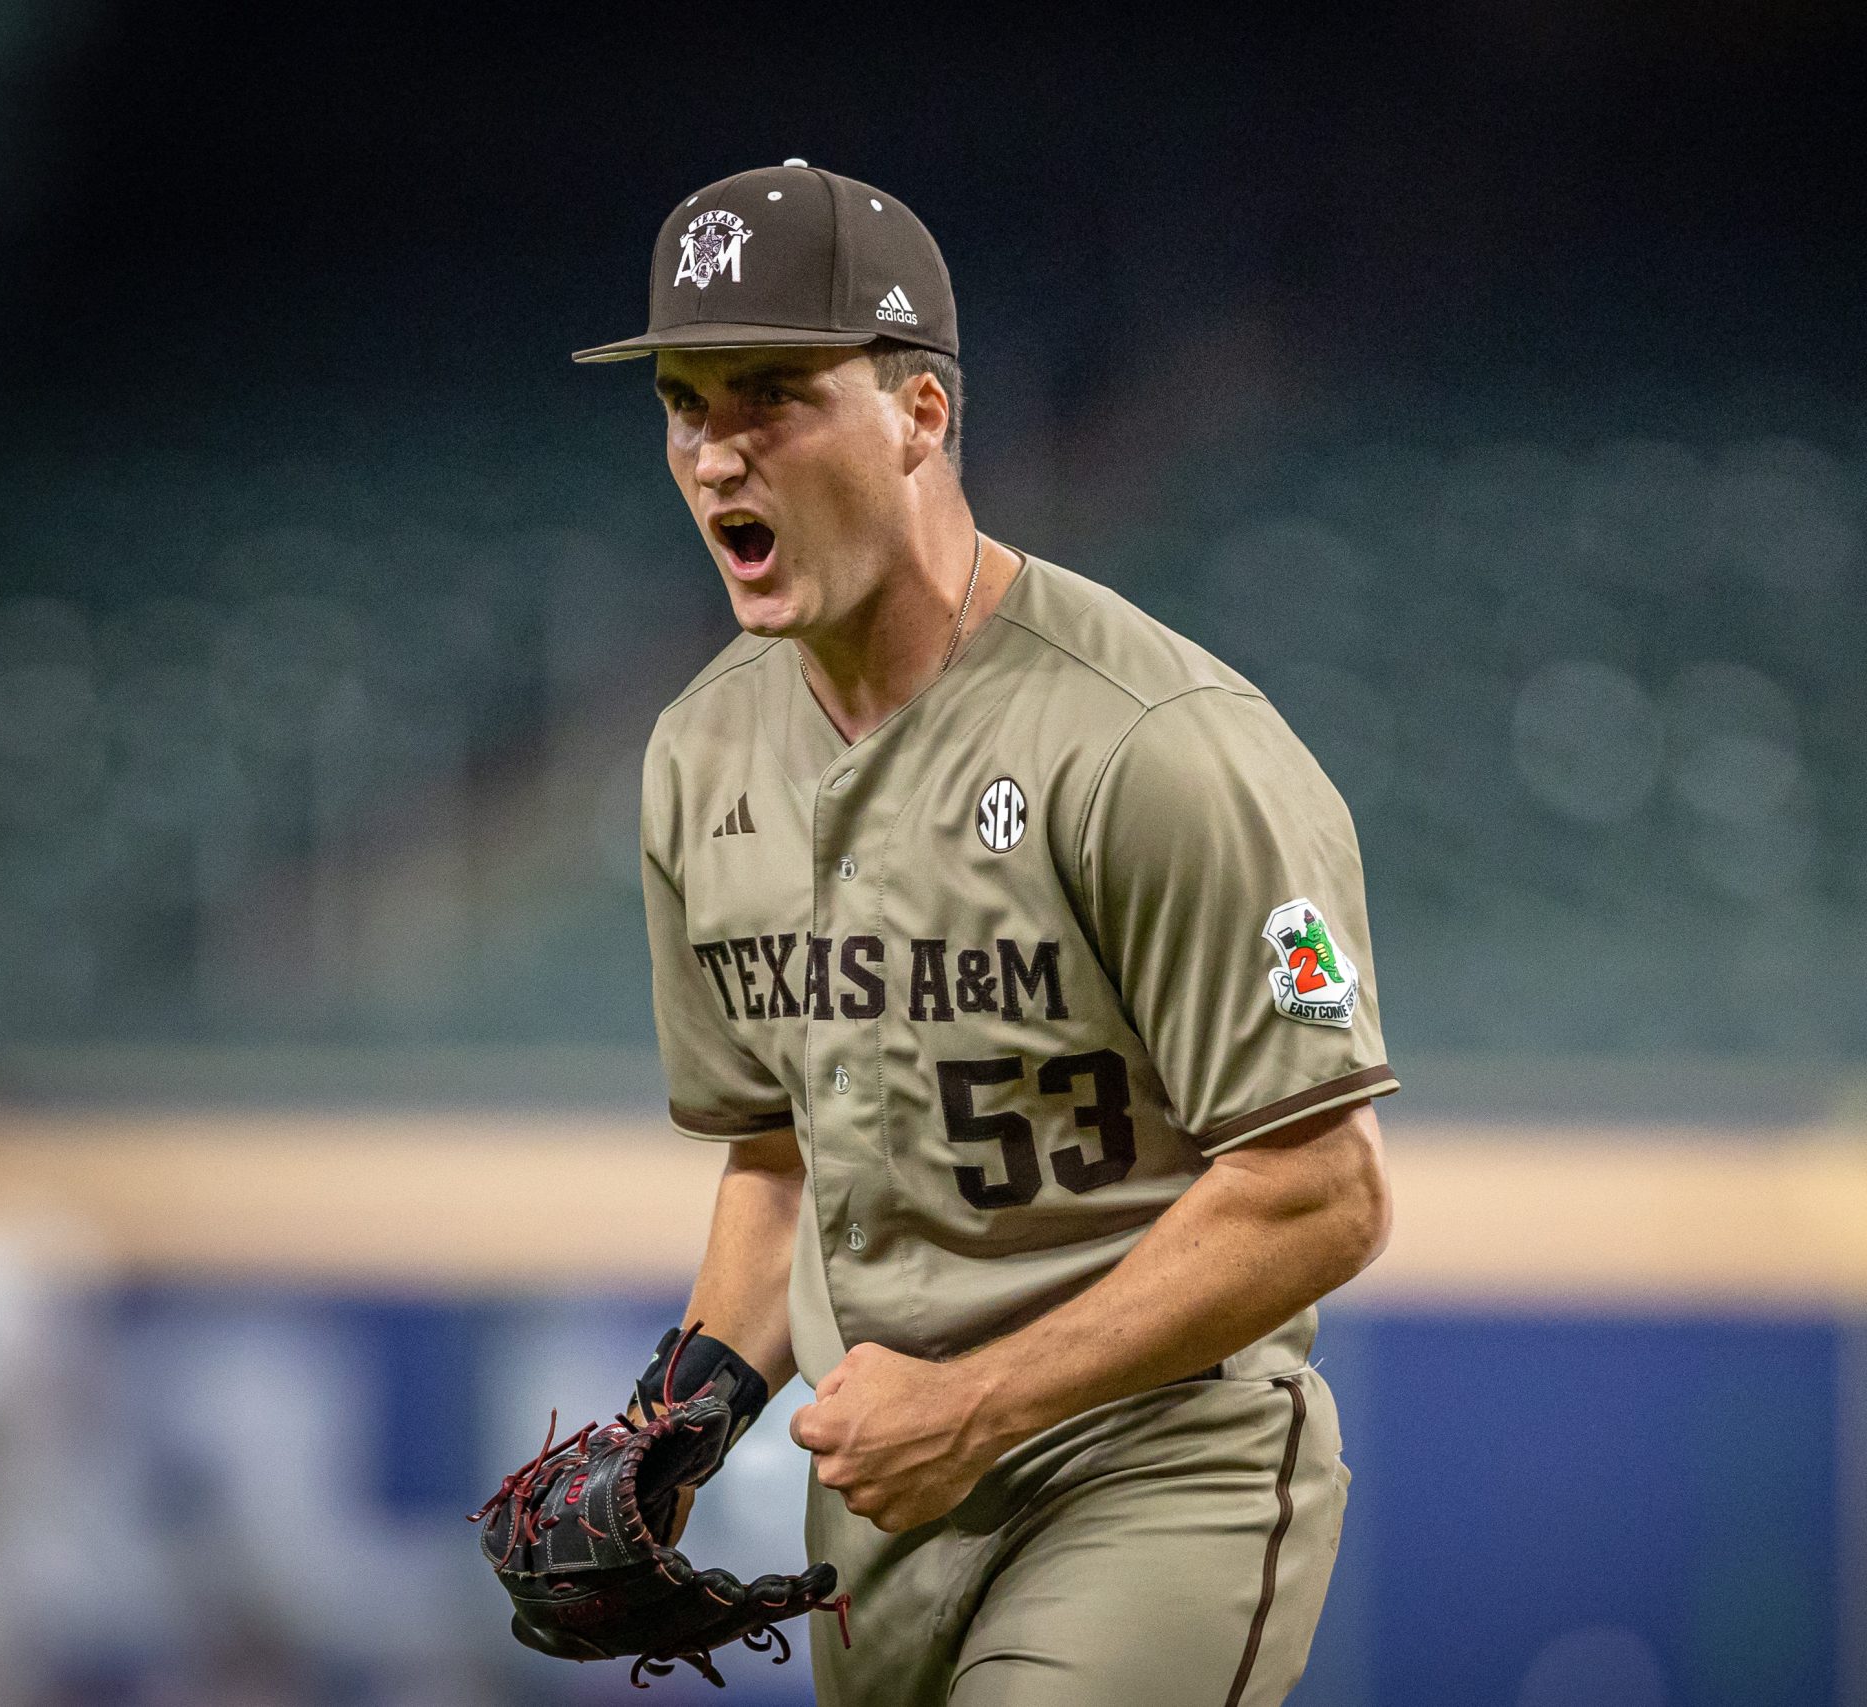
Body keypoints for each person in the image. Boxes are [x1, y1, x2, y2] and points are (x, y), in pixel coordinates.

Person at [571, 159, 1397, 1706]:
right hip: (883, 1496)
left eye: (773, 395)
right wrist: (676, 1427)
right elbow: (778, 1154)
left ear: (921, 414)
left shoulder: (1158, 742)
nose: (714, 452)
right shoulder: (697, 756)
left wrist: (984, 1401)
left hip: (1154, 1462)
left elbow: (1323, 1192)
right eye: (686, 401)